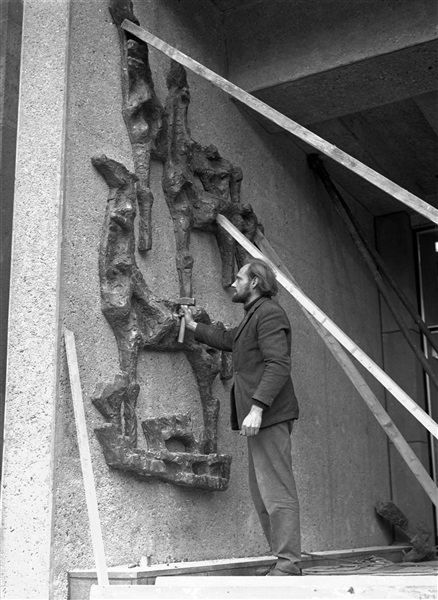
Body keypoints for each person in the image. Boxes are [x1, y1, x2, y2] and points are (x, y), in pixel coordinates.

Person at [181, 258, 301, 576]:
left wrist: (258, 408)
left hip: (270, 416)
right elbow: (229, 340)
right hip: (260, 418)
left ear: (255, 283)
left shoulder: (270, 314)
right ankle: (282, 560)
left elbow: (278, 364)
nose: (233, 283)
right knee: (262, 490)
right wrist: (193, 327)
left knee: (276, 489)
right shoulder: (253, 316)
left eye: (238, 278)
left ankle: (289, 564)